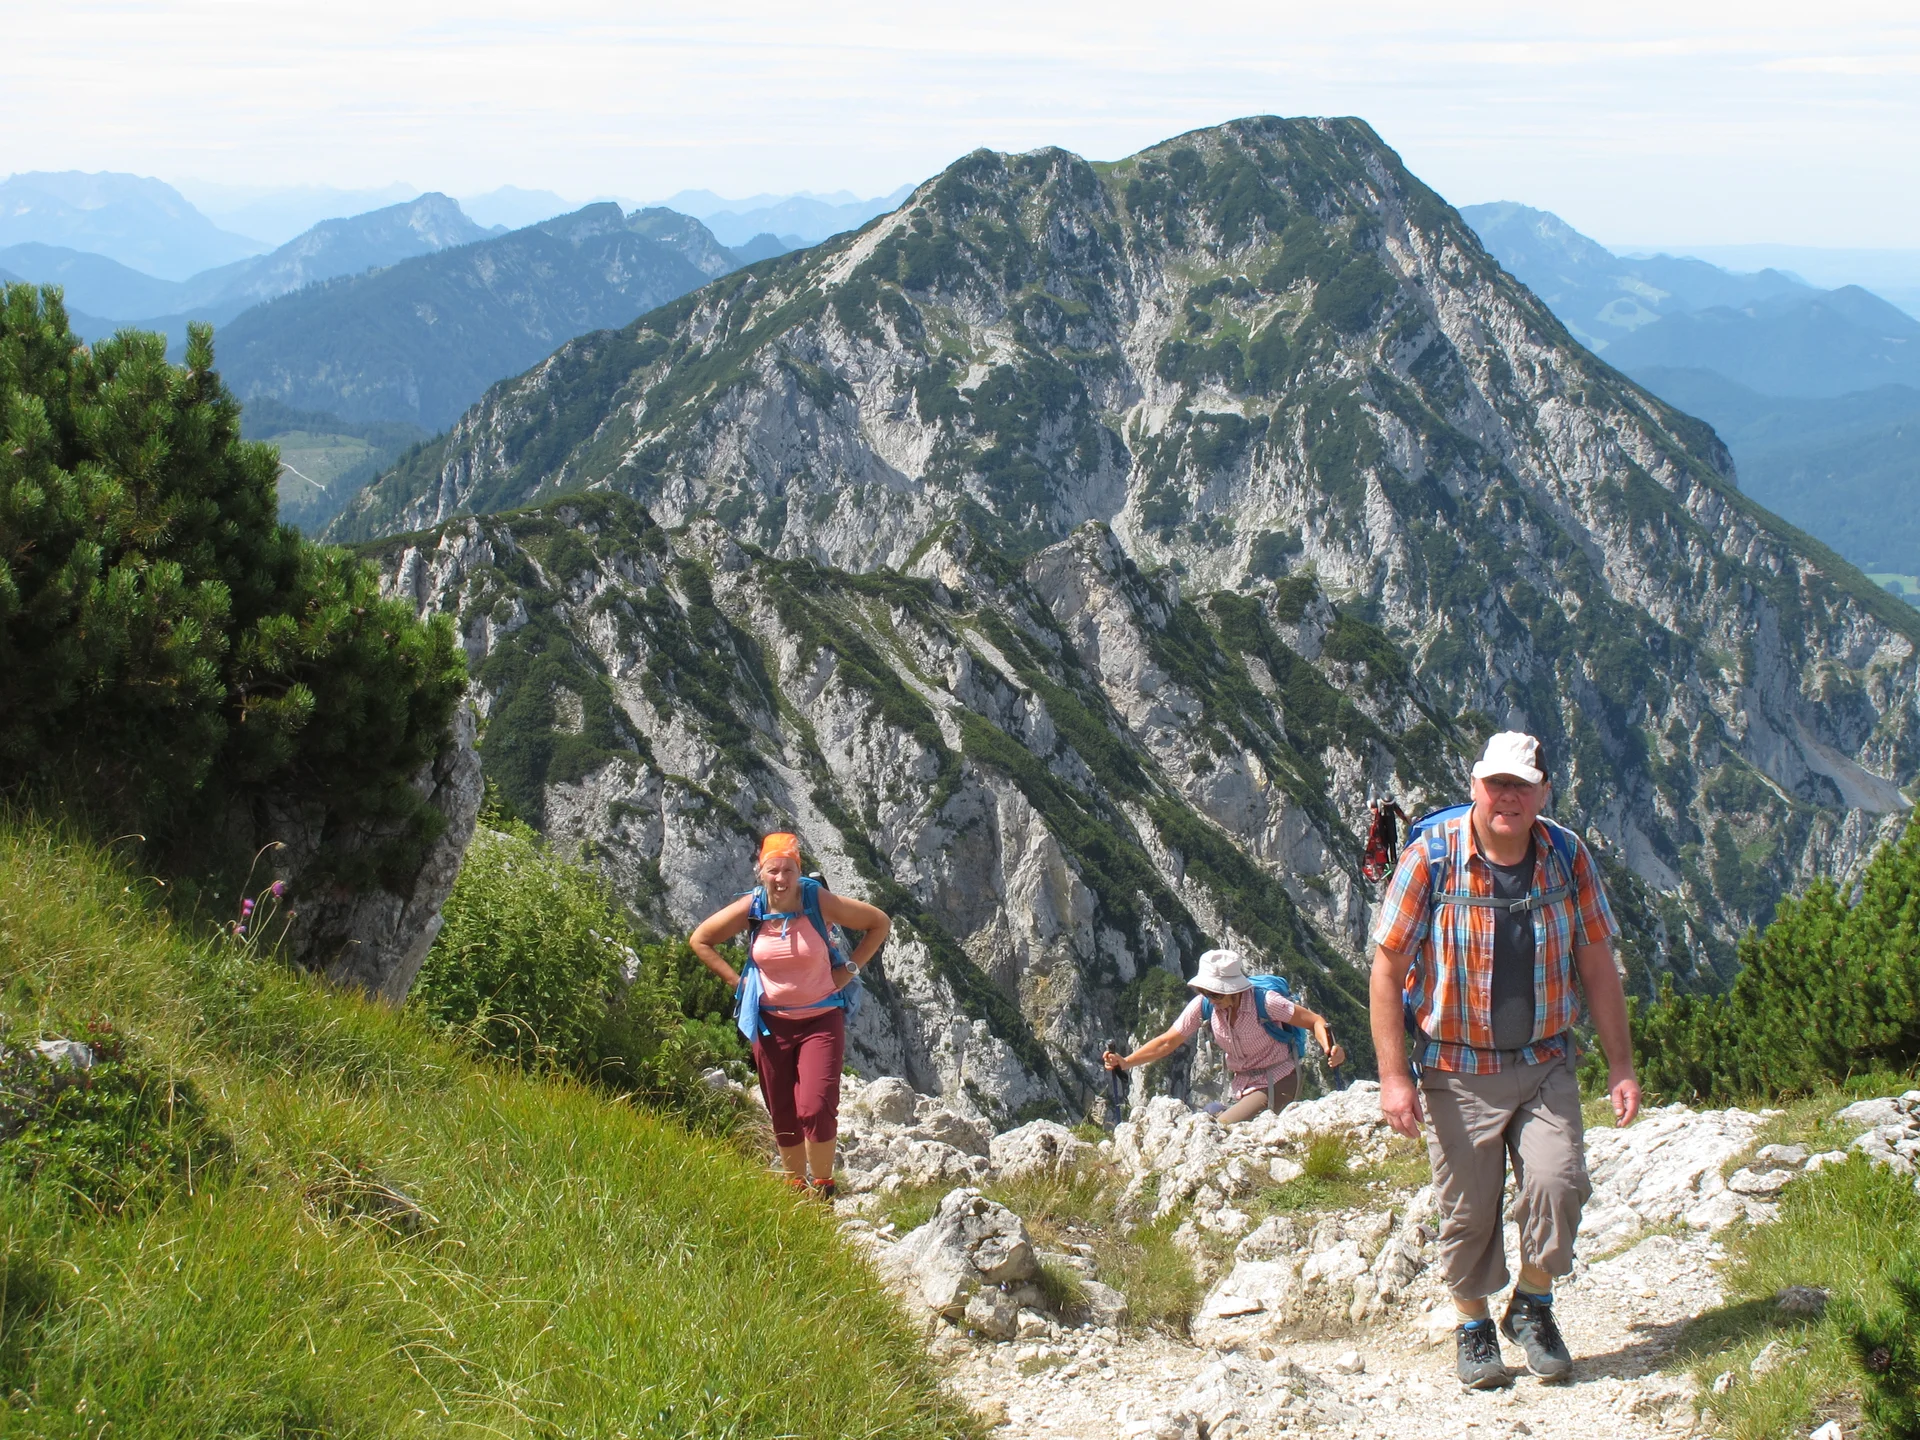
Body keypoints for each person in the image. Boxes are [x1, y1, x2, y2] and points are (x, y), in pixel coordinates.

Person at [1368, 731, 1641, 1390]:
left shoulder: (1567, 856)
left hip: (1545, 1060)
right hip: (1457, 1068)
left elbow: (1597, 964)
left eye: (1522, 785)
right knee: (1468, 1212)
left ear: (1543, 794)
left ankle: (1532, 1304)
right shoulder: (1431, 859)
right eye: (1497, 784)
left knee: (1559, 1183)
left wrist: (1621, 1065)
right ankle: (1473, 1325)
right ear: (1475, 787)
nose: (1508, 797)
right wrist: (1395, 1077)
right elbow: (1387, 971)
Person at [689, 833, 891, 1200]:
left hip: (820, 1019)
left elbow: (879, 922)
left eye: (788, 870)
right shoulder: (753, 906)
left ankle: (823, 1187)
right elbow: (701, 940)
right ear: (761, 872)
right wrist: (739, 983)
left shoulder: (817, 900)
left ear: (799, 872)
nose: (780, 879)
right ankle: (796, 1189)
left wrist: (848, 970)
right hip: (770, 1023)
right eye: (773, 870)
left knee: (816, 1106)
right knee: (781, 1108)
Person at [1103, 949, 1346, 1124]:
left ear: (1235, 989)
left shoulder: (1265, 1002)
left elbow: (1314, 1021)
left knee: (1220, 1129)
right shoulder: (1205, 1005)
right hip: (1241, 1084)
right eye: (1205, 992)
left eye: (1217, 994)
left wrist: (1330, 1048)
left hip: (1279, 1079)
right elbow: (1168, 1041)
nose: (1211, 999)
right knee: (1203, 1123)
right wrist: (1126, 1062)